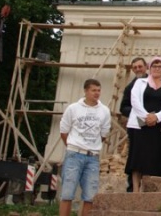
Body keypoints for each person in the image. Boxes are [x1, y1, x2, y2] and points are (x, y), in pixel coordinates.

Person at [59, 78, 111, 216]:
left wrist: (92, 145)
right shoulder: (73, 108)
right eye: (93, 90)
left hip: (92, 156)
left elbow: (104, 134)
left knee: (90, 195)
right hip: (74, 154)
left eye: (99, 90)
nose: (97, 93)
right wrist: (73, 145)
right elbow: (64, 131)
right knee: (67, 192)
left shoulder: (104, 111)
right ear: (86, 91)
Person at [127, 57, 161, 191]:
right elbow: (134, 100)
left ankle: (146, 190)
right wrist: (146, 116)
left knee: (152, 160)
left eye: (159, 66)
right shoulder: (139, 82)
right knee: (137, 159)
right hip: (139, 125)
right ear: (149, 68)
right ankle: (135, 190)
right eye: (154, 66)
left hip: (157, 126)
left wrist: (156, 117)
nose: (156, 69)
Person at [119, 57, 147, 191]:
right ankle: (133, 188)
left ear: (146, 67)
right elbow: (123, 107)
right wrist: (139, 112)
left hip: (152, 125)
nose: (137, 69)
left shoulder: (154, 83)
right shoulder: (130, 87)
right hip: (136, 126)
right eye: (135, 67)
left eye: (140, 66)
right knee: (135, 156)